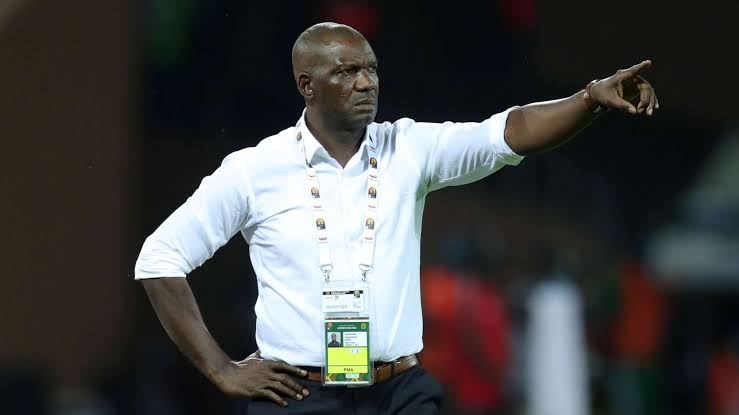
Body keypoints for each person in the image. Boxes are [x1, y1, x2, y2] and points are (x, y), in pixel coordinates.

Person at [134, 22, 658, 414]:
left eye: (371, 69)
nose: (366, 83)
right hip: (300, 397)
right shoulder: (254, 170)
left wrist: (589, 100)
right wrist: (220, 369)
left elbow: (506, 133)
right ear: (307, 85)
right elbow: (159, 259)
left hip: (399, 393)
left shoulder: (407, 148)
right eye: (346, 72)